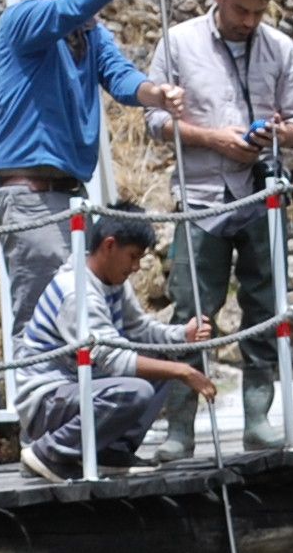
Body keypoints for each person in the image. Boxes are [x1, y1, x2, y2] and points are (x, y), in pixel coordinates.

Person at [0, 0, 189, 345]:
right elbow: (72, 8)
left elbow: (122, 79)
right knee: (41, 316)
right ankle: (38, 410)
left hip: (70, 196)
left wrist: (157, 94)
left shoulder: (92, 35)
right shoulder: (25, 19)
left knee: (79, 313)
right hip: (29, 198)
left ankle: (77, 410)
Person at [143, 0, 293, 453]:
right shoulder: (178, 43)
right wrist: (213, 139)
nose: (250, 21)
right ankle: (180, 430)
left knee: (264, 307)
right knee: (192, 314)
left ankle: (258, 419)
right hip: (200, 199)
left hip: (262, 194)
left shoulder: (279, 48)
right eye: (242, 10)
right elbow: (155, 122)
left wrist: (278, 132)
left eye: (260, 12)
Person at [12, 203, 214, 482]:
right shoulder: (77, 291)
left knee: (163, 361)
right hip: (47, 404)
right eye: (132, 257)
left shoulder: (112, 282)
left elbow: (139, 328)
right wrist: (185, 372)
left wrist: (181, 335)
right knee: (136, 389)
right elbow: (115, 360)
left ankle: (112, 451)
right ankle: (50, 453)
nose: (135, 267)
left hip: (80, 391)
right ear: (109, 246)